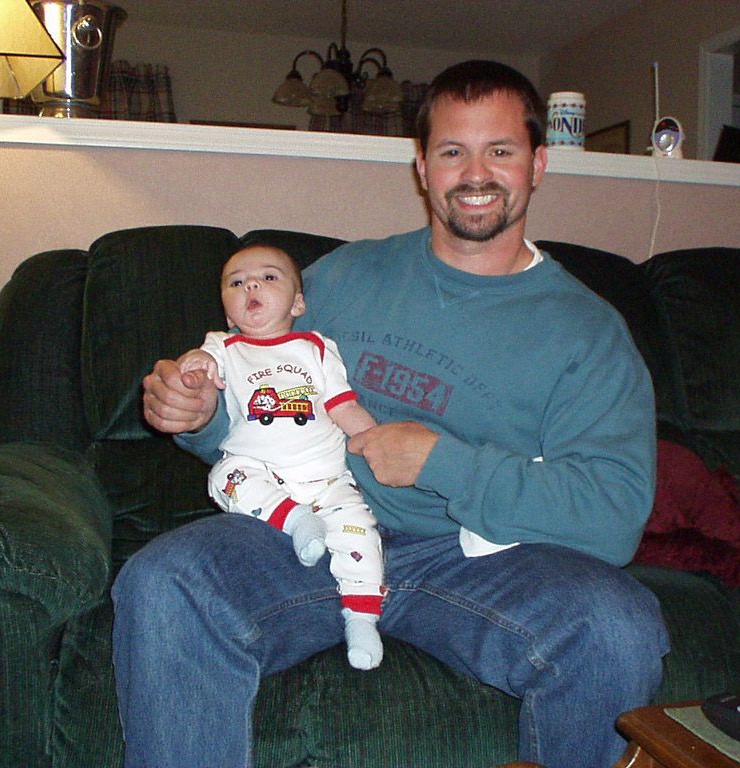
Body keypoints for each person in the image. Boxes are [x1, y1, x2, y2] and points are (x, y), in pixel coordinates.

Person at [113, 59, 670, 768]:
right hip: (312, 525)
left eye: (500, 150)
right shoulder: (344, 277)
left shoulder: (588, 333)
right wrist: (200, 417)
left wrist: (444, 463)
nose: (475, 173)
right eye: (452, 151)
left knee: (617, 628)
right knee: (164, 584)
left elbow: (613, 516)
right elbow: (261, 399)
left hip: (478, 560)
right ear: (422, 168)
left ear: (538, 163)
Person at [176, 243, 386, 670]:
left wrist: (375, 439)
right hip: (259, 471)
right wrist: (193, 366)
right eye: (236, 283)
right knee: (223, 478)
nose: (251, 285)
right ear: (228, 314)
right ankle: (295, 521)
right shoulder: (224, 347)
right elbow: (196, 368)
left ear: (298, 303)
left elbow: (344, 406)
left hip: (327, 478)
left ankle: (362, 619)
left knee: (361, 534)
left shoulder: (317, 347)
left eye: (268, 277)